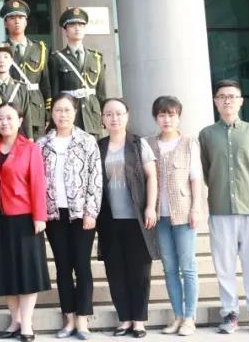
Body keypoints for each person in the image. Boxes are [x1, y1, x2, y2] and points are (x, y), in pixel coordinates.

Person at [199, 79, 249, 336]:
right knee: (224, 266)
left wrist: (248, 191)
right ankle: (229, 314)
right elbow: (206, 171)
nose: (227, 100)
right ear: (216, 102)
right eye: (222, 96)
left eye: (232, 96)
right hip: (220, 209)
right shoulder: (207, 135)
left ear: (241, 101)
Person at [36, 94, 101, 340]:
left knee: (82, 265)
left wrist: (91, 212)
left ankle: (83, 320)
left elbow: (96, 178)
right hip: (54, 215)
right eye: (58, 110)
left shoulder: (87, 141)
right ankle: (69, 318)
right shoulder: (42, 144)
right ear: (52, 114)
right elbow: (36, 181)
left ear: (75, 112)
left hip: (81, 214)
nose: (62, 115)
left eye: (67, 110)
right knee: (62, 267)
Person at [97, 98, 159, 338]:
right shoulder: (99, 147)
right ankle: (124, 318)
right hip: (109, 219)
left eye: (119, 113)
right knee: (115, 270)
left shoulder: (138, 144)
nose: (114, 118)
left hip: (137, 219)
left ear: (127, 116)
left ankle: (139, 320)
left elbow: (151, 177)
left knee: (139, 271)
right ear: (102, 118)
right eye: (109, 114)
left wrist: (150, 207)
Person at [0, 103, 49, 342]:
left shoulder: (30, 148)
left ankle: (27, 324)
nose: (4, 123)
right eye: (0, 119)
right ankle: (15, 321)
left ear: (20, 120)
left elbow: (38, 183)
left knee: (27, 273)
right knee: (8, 273)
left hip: (25, 218)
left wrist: (40, 216)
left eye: (9, 118)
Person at [146, 95, 202, 337]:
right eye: (162, 115)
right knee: (169, 268)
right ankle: (177, 315)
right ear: (156, 118)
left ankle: (190, 317)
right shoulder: (148, 144)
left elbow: (196, 177)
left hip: (184, 213)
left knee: (188, 267)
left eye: (171, 115)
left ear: (178, 117)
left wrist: (196, 208)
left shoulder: (189, 143)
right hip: (160, 217)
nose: (166, 119)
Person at [46, 8, 106, 137]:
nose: (77, 28)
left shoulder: (96, 58)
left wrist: (103, 112)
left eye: (81, 25)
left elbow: (101, 92)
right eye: (72, 25)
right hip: (69, 114)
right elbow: (55, 92)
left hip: (92, 114)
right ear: (65, 31)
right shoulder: (57, 58)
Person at [0, 42, 41, 142]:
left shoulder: (20, 87)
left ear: (11, 61)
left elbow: (26, 116)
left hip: (16, 137)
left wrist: (29, 138)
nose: (2, 61)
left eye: (6, 57)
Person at [0, 0, 50, 116]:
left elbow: (46, 83)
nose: (17, 21)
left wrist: (48, 113)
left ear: (26, 22)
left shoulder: (40, 49)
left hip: (36, 109)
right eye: (12, 18)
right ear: (5, 24)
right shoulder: (0, 50)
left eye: (21, 17)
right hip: (11, 106)